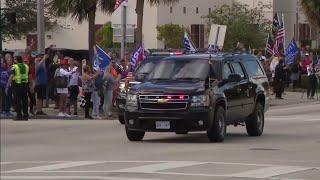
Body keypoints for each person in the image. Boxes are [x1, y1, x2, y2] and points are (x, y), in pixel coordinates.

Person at [7, 55, 30, 120]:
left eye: (15, 59)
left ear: (17, 60)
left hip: (17, 85)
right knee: (25, 101)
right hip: (25, 85)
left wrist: (7, 85)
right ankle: (25, 116)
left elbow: (11, 76)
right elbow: (29, 76)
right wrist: (31, 86)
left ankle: (19, 116)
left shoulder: (14, 67)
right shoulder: (26, 66)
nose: (14, 61)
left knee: (17, 101)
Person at [1, 53, 14, 118]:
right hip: (3, 84)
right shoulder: (3, 66)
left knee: (8, 98)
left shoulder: (12, 67)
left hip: (8, 85)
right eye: (8, 59)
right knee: (5, 97)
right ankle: (5, 111)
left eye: (10, 60)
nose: (9, 61)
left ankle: (6, 110)